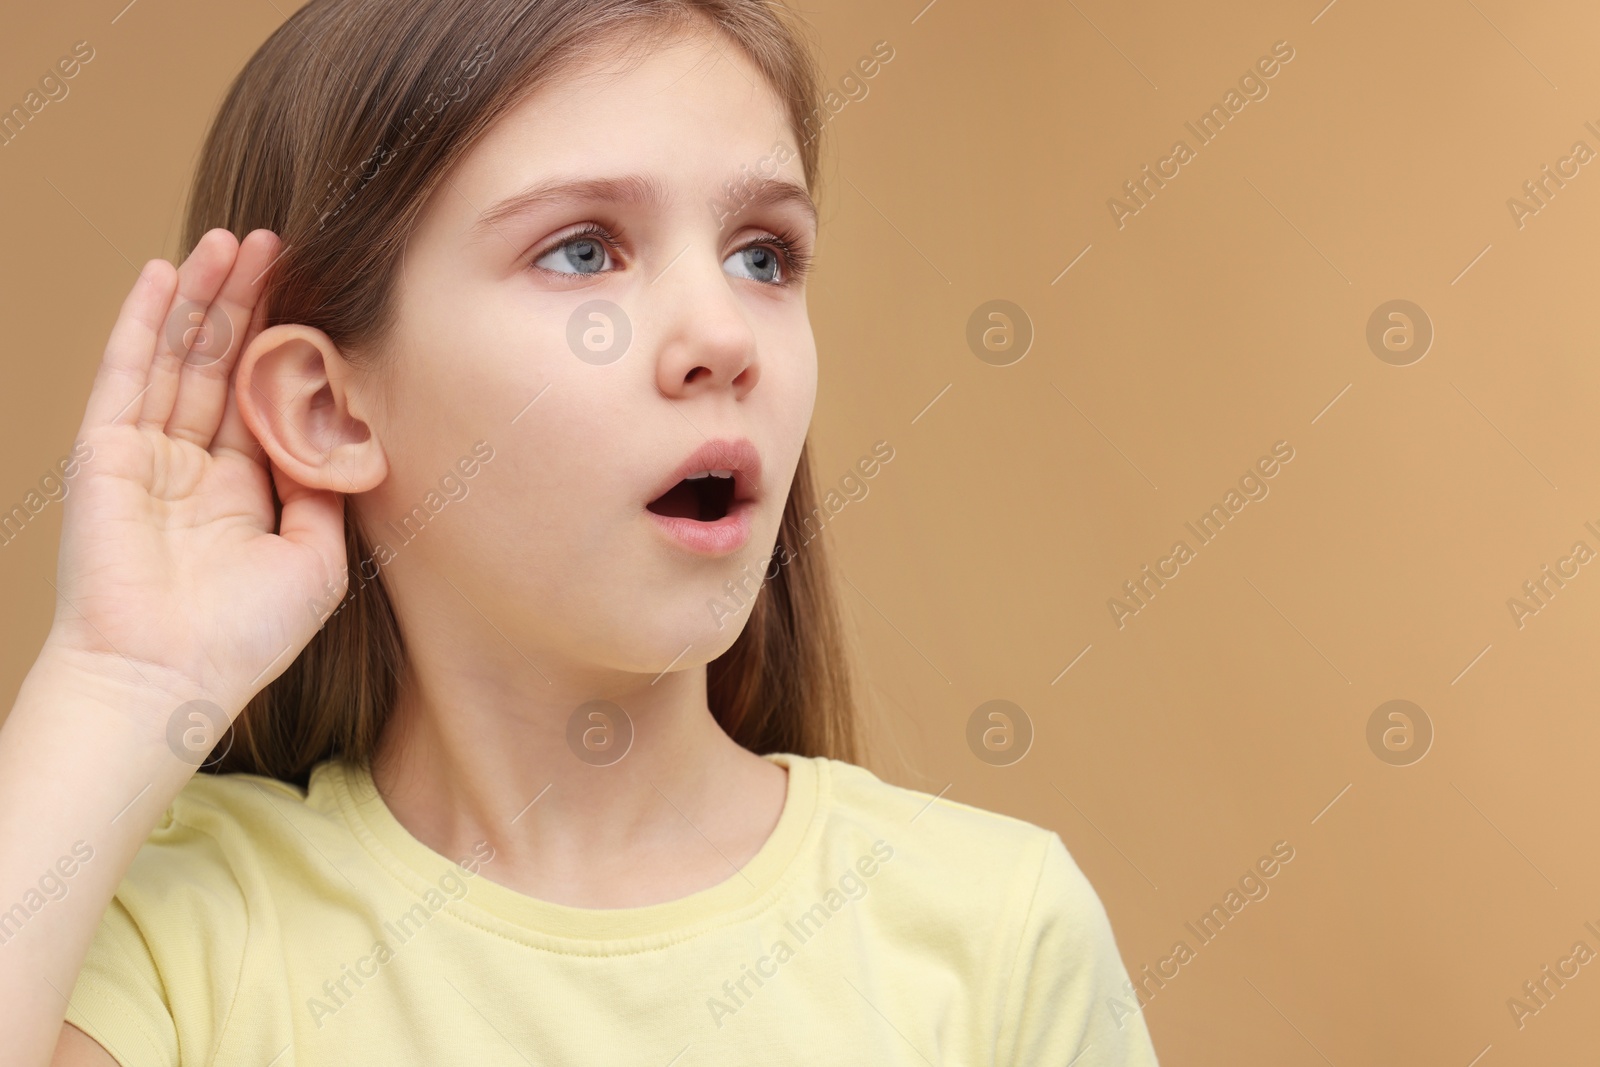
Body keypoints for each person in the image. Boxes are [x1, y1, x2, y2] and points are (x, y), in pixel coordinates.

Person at [0, 0, 1161, 1063]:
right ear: (328, 407)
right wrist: (120, 677)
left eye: (764, 255)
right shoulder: (170, 927)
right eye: (583, 250)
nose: (723, 332)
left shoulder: (995, 933)